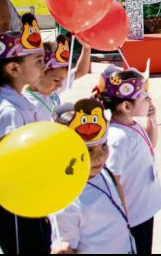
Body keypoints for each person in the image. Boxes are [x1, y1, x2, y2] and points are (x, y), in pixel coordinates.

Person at [0, 14, 48, 253]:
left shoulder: (19, 101)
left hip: (27, 198)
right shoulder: (7, 111)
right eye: (38, 61)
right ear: (14, 68)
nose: (44, 66)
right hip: (14, 204)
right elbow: (15, 164)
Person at [50, 98, 135, 254]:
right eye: (89, 150)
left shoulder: (102, 172)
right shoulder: (66, 199)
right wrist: (62, 248)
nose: (100, 156)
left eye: (103, 145)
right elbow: (65, 243)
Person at [95, 66, 161, 255]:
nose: (149, 99)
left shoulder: (132, 125)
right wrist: (121, 217)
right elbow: (113, 179)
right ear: (126, 106)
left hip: (143, 210)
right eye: (144, 96)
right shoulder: (118, 138)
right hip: (132, 217)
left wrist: (152, 120)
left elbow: (150, 144)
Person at [24, 35, 92, 121]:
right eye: (56, 80)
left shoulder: (52, 88)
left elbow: (80, 71)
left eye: (62, 79)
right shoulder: (27, 105)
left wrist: (86, 48)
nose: (60, 85)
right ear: (38, 73)